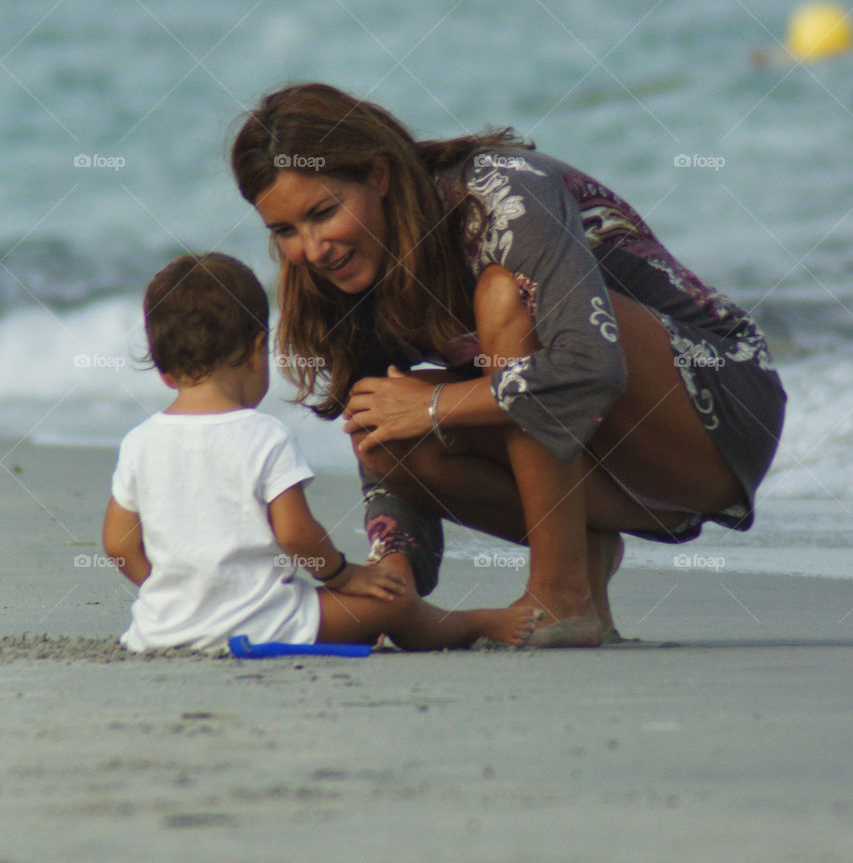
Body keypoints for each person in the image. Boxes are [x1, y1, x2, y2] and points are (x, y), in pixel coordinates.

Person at [230, 84, 787, 648]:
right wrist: (392, 576)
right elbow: (387, 421)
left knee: (506, 301)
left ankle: (560, 593)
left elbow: (590, 366)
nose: (313, 249)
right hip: (619, 467)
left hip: (719, 406)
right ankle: (581, 554)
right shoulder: (345, 270)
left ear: (378, 175)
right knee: (379, 430)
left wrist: (434, 404)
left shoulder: (503, 191)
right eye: (284, 231)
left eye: (324, 213)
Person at [101, 252, 540, 653]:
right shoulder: (262, 435)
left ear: (161, 371)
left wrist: (176, 592)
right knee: (392, 602)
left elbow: (118, 544)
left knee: (367, 599)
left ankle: (460, 622)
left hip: (162, 629)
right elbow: (296, 535)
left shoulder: (140, 441)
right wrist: (346, 576)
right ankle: (468, 624)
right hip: (266, 623)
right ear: (257, 352)